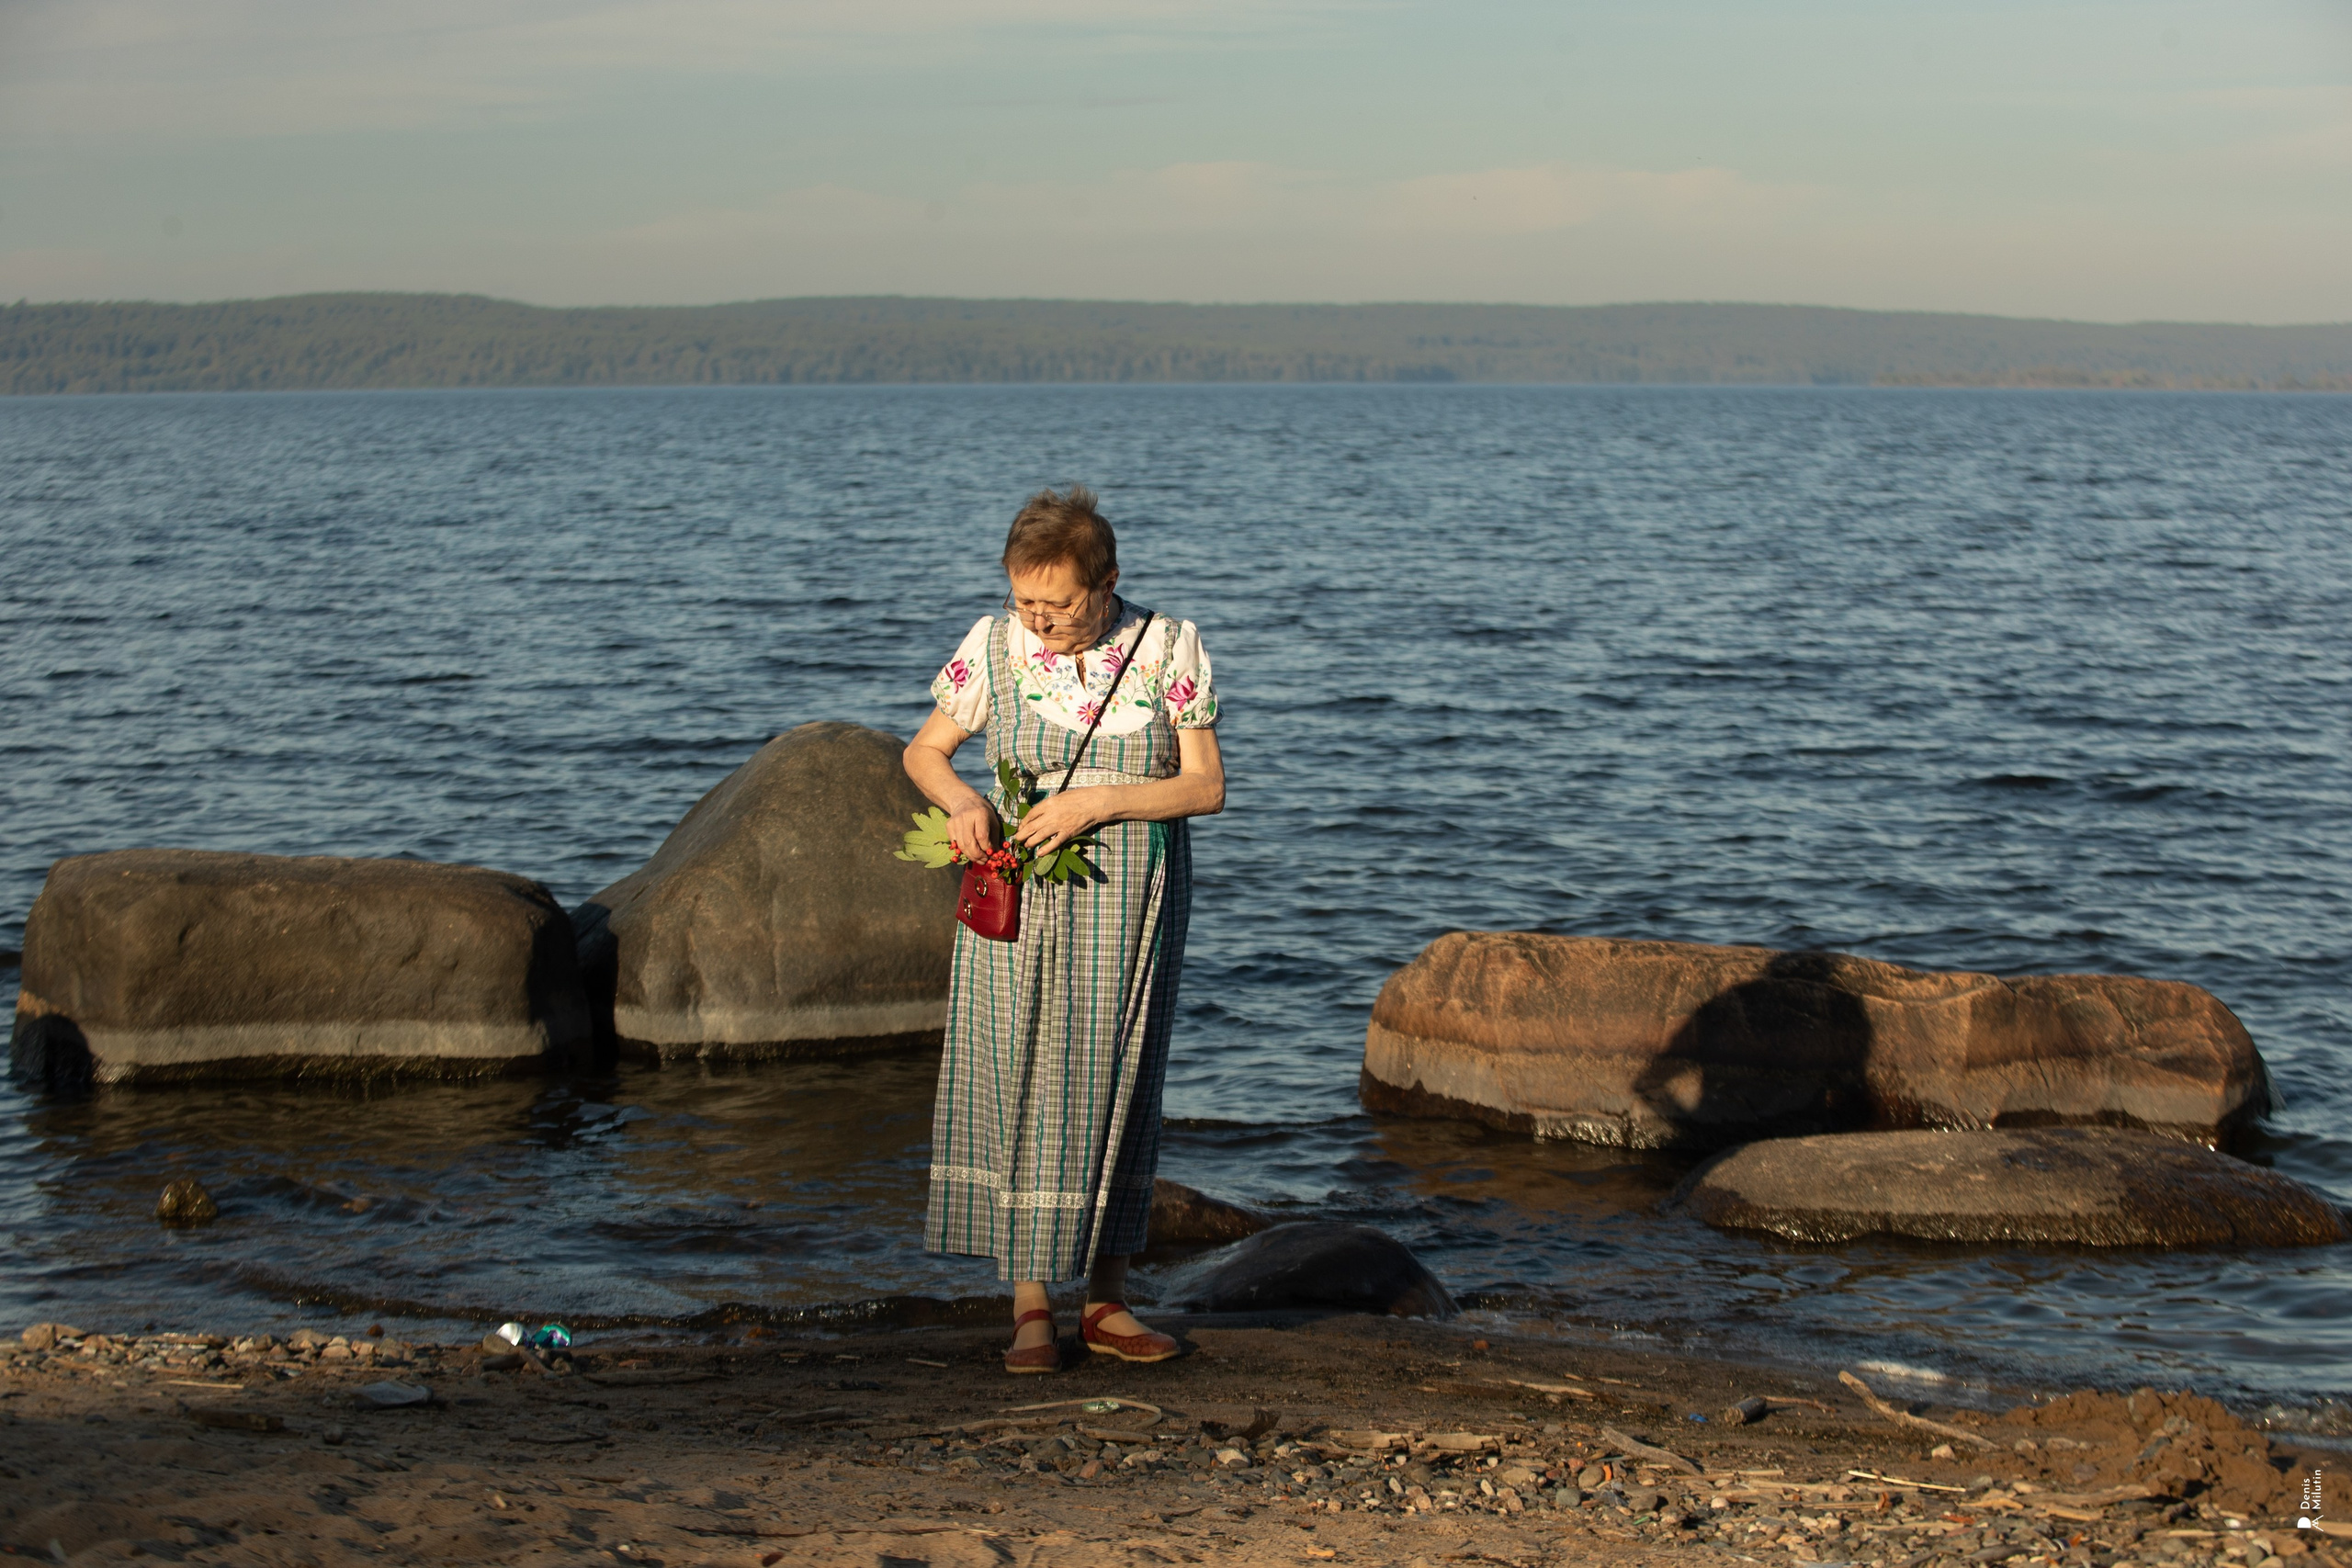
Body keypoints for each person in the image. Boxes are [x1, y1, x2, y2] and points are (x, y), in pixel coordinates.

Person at [903, 486, 1224, 1374]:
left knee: (1121, 1076)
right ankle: (1031, 1307)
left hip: (1133, 896)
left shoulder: (1166, 647)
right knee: (1019, 1071)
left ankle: (1107, 1302)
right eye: (1025, 601)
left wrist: (1096, 803)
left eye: (1061, 604)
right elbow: (924, 752)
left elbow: (1205, 787)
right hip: (1019, 896)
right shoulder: (993, 644)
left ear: (1108, 581)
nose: (1040, 621)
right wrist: (963, 802)